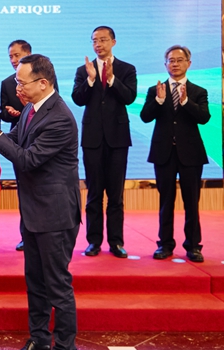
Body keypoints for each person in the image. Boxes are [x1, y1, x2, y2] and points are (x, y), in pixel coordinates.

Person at [0, 54, 81, 350]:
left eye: (22, 82)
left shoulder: (60, 117)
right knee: (35, 281)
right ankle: (39, 340)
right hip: (34, 210)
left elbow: (28, 159)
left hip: (56, 214)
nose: (17, 87)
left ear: (43, 83)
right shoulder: (33, 110)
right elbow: (18, 139)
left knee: (57, 285)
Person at [140, 45, 210, 262]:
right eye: (171, 60)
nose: (175, 64)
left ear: (189, 63)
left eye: (179, 60)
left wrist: (186, 102)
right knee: (166, 201)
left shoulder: (198, 91)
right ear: (165, 64)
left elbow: (204, 118)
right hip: (164, 153)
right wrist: (159, 100)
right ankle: (165, 244)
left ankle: (193, 246)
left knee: (192, 202)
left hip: (191, 154)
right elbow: (145, 117)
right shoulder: (155, 90)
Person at [71, 26, 137, 259]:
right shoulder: (83, 70)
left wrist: (111, 79)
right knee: (94, 194)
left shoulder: (127, 69)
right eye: (94, 41)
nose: (98, 44)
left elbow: (129, 97)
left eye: (103, 40)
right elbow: (78, 99)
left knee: (116, 195)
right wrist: (91, 80)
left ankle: (116, 242)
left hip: (118, 139)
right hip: (92, 139)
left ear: (113, 42)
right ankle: (93, 241)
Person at [0, 40, 32, 252]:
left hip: (40, 139)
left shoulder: (44, 79)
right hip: (18, 140)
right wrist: (11, 113)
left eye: (17, 55)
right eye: (10, 56)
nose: (13, 60)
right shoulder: (7, 83)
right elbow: (2, 112)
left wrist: (28, 108)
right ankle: (25, 236)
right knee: (24, 190)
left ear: (28, 54)